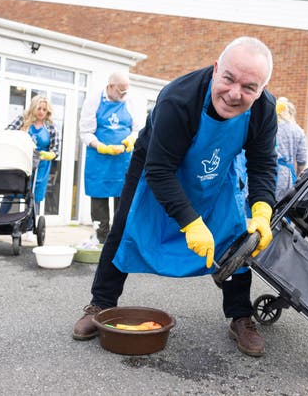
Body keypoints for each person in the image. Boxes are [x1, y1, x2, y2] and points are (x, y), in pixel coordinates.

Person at [72, 36, 278, 357]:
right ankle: (100, 304)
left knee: (238, 235)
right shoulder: (178, 99)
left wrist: (263, 212)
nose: (235, 93)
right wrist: (191, 223)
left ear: (262, 89)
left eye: (250, 87)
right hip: (157, 162)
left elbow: (263, 165)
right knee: (125, 225)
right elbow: (159, 170)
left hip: (217, 165)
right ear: (215, 70)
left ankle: (240, 315)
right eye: (228, 79)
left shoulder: (264, 110)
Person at [78, 71, 142, 248]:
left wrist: (131, 140)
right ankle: (100, 239)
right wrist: (100, 146)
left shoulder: (129, 101)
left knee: (123, 201)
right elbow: (85, 132)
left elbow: (137, 128)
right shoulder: (93, 101)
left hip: (123, 161)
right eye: (121, 91)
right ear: (110, 86)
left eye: (126, 91)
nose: (123, 95)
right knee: (99, 200)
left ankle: (120, 242)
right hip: (99, 162)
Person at [0, 95, 60, 241]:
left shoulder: (51, 126)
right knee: (10, 193)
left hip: (41, 165)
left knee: (34, 196)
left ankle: (30, 229)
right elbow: (8, 132)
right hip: (21, 162)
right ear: (33, 108)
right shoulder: (23, 120)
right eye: (38, 108)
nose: (41, 112)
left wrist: (50, 154)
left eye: (44, 109)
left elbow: (56, 149)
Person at [274, 97, 307, 201]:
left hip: (266, 169)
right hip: (287, 176)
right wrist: (297, 177)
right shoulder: (298, 131)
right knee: (280, 209)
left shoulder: (270, 126)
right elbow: (302, 161)